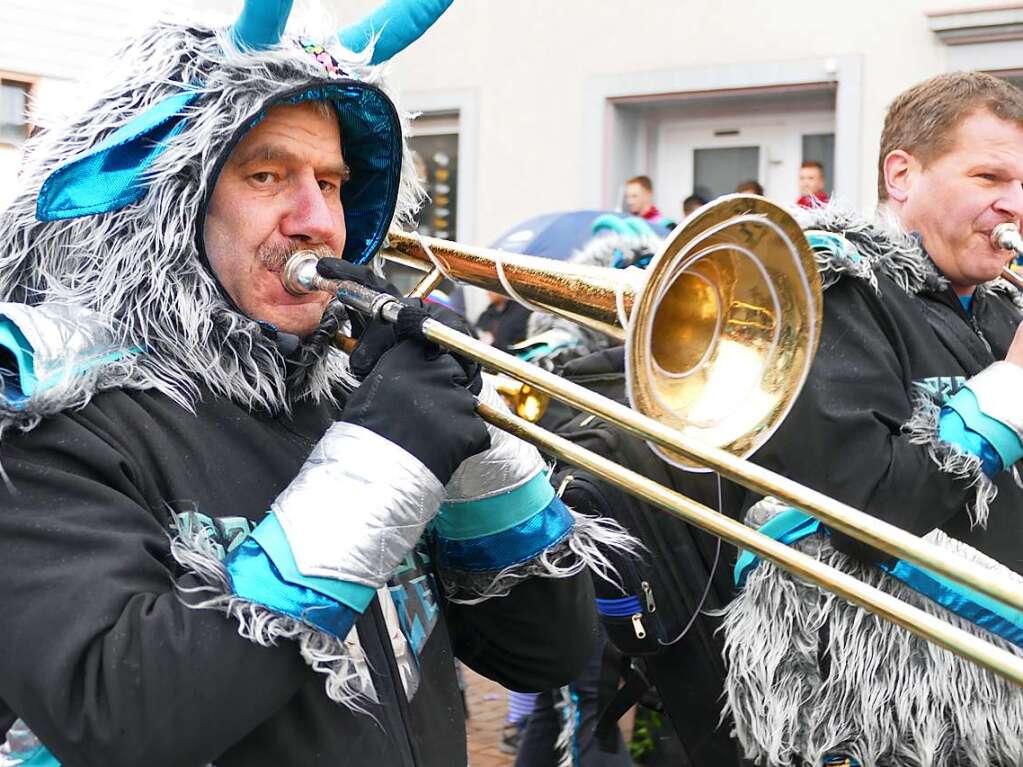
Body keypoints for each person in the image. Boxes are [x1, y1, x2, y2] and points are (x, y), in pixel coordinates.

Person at [0, 3, 632, 765]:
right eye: (267, 175)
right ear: (164, 205)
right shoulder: (47, 420)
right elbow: (120, 718)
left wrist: (473, 440)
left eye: (332, 183)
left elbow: (548, 652)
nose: (316, 220)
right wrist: (383, 461)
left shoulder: (351, 398)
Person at [722, 71, 1023, 766]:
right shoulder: (830, 285)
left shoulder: (1000, 307)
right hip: (883, 713)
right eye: (989, 176)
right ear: (900, 174)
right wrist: (1012, 383)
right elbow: (871, 505)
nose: (1013, 205)